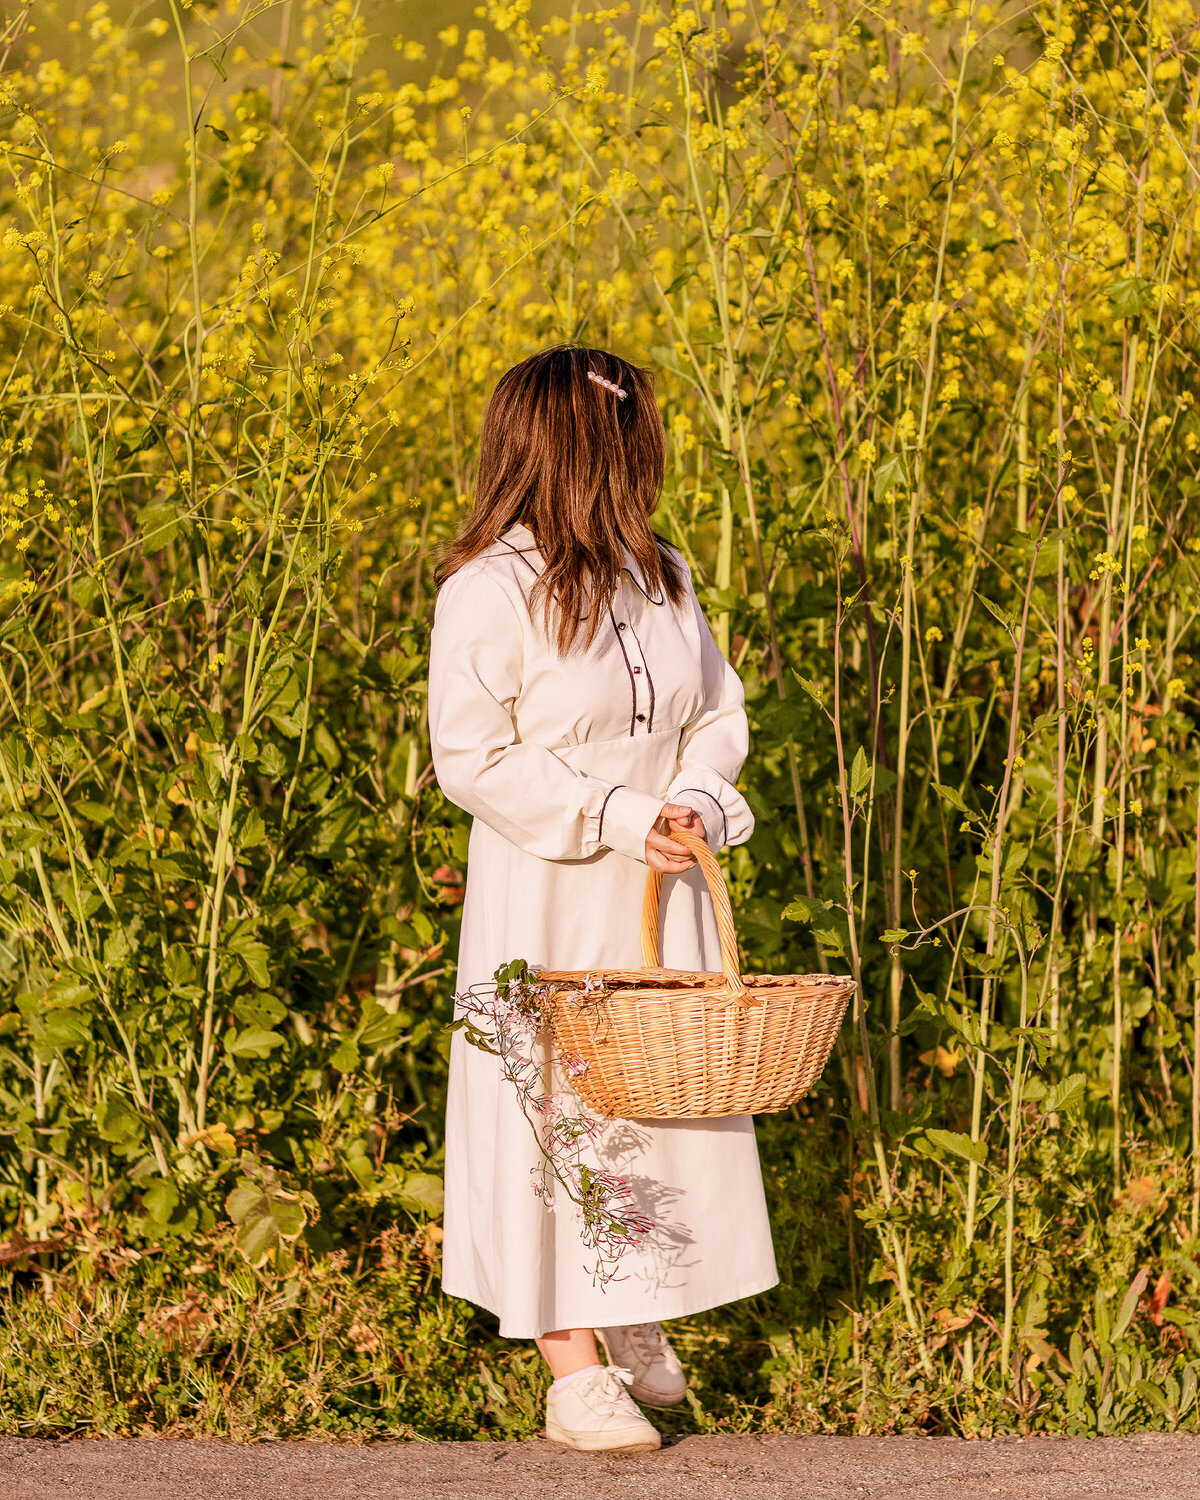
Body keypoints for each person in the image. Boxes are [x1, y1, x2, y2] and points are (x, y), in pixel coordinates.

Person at [427, 346, 777, 1453]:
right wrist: (621, 817)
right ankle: (570, 1361)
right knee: (551, 1110)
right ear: (587, 448)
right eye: (637, 433)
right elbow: (471, 760)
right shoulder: (486, 592)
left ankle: (632, 1299)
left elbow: (716, 713)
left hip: (654, 890)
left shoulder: (663, 573)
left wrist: (691, 802)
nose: (653, 449)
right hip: (548, 889)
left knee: (655, 1095)